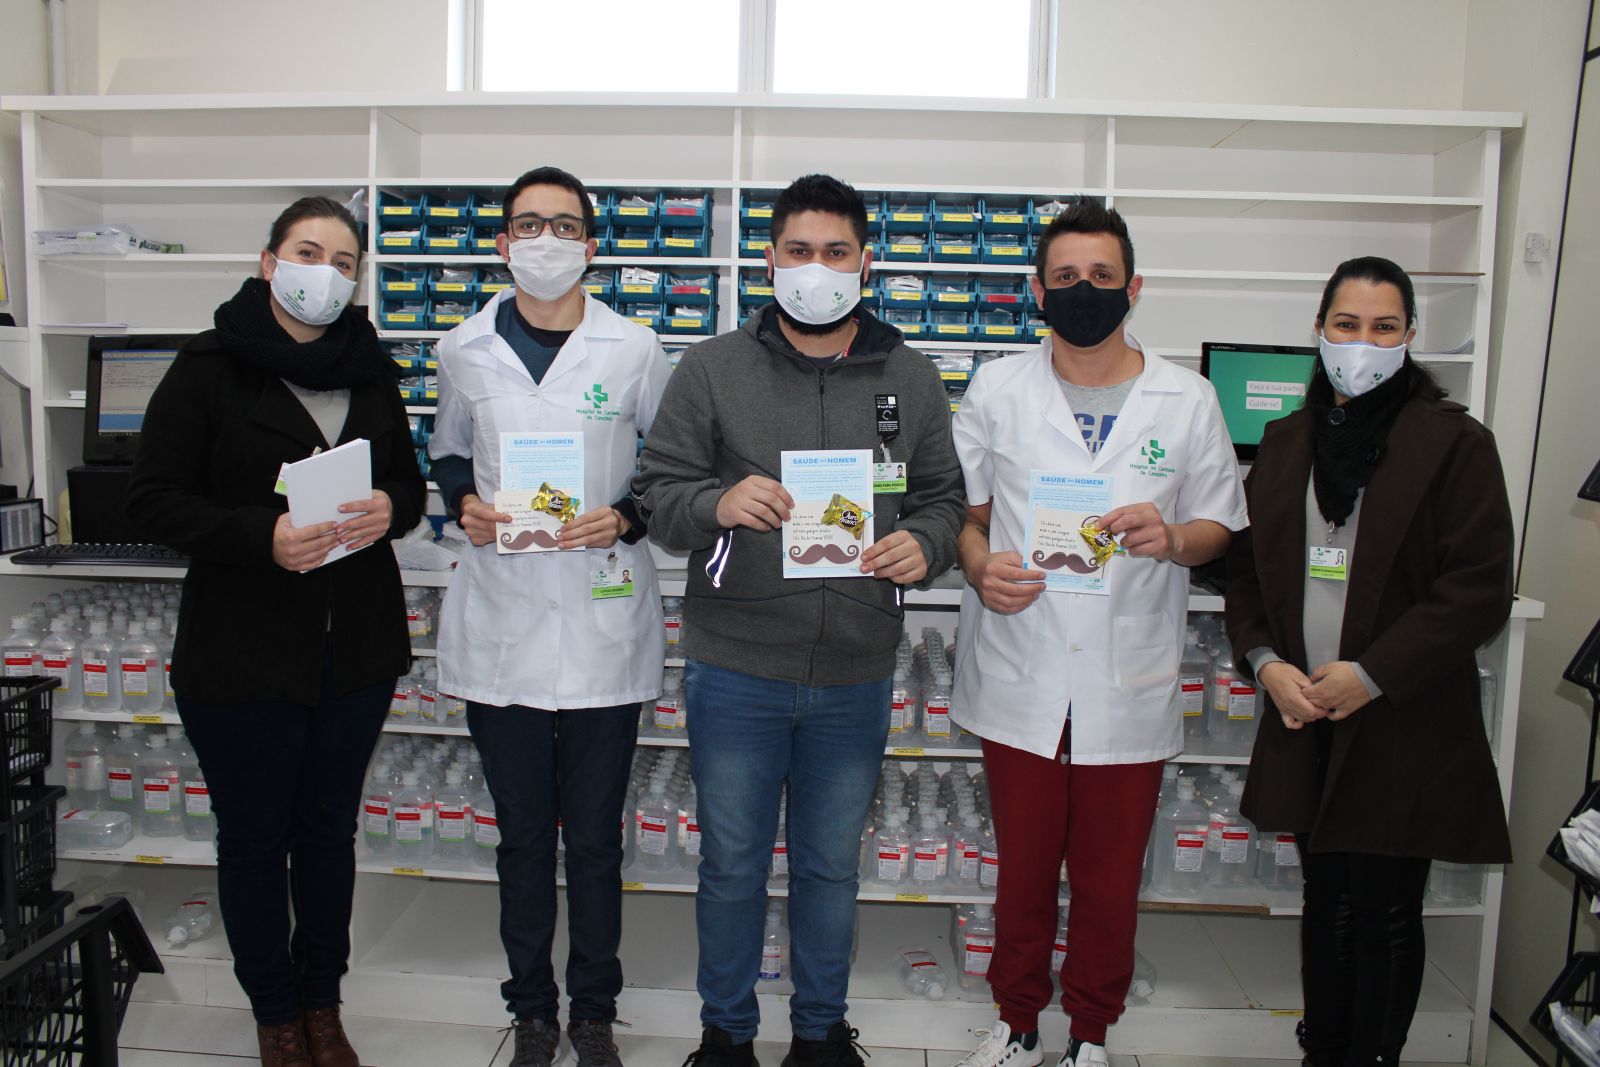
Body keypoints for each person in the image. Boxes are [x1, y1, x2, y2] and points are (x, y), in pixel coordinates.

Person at [633, 173, 965, 1067]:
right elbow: (657, 494)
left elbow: (943, 498)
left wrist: (925, 543)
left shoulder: (910, 377)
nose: (816, 267)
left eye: (835, 251)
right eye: (798, 250)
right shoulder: (711, 368)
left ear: (866, 263)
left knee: (828, 866)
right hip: (736, 665)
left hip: (856, 668)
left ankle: (820, 1032)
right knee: (732, 863)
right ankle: (726, 1034)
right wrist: (716, 502)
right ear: (769, 259)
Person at [127, 196, 426, 1067]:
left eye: (344, 262)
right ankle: (275, 1015)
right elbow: (152, 499)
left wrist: (391, 507)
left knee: (328, 833)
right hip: (242, 649)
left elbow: (407, 484)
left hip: (354, 649)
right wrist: (262, 536)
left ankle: (322, 1003)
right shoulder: (209, 366)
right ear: (269, 263)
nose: (325, 273)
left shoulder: (369, 368)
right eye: (308, 252)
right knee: (256, 838)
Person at [947, 202, 1247, 1067]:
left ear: (1134, 286)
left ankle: (1089, 1034)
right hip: (1023, 662)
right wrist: (979, 564)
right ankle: (1015, 1024)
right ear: (1038, 291)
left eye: (1103, 276)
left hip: (1128, 671)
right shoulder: (998, 388)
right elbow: (965, 514)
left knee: (1110, 878)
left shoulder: (1187, 398)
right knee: (1024, 867)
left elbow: (1219, 528)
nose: (1085, 290)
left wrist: (1173, 536)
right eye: (1067, 277)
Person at [1225, 256, 1513, 1067]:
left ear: (1411, 335)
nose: (1363, 343)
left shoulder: (1454, 444)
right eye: (1347, 325)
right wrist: (1266, 662)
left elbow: (1478, 589)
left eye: (1384, 327)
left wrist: (1371, 674)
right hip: (1304, 709)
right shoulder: (1287, 443)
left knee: (1384, 907)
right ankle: (1324, 1050)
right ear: (1319, 331)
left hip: (1399, 714)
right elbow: (1247, 573)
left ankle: (1372, 1056)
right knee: (1327, 900)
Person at [427, 166, 671, 1067]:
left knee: (596, 841)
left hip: (602, 615)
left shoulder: (633, 348)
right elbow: (449, 454)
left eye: (564, 225)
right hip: (503, 617)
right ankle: (532, 1010)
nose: (545, 240)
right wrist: (465, 504)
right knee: (524, 839)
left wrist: (627, 515)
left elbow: (671, 465)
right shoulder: (462, 350)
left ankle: (595, 1010)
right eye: (528, 224)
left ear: (590, 245)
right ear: (502, 242)